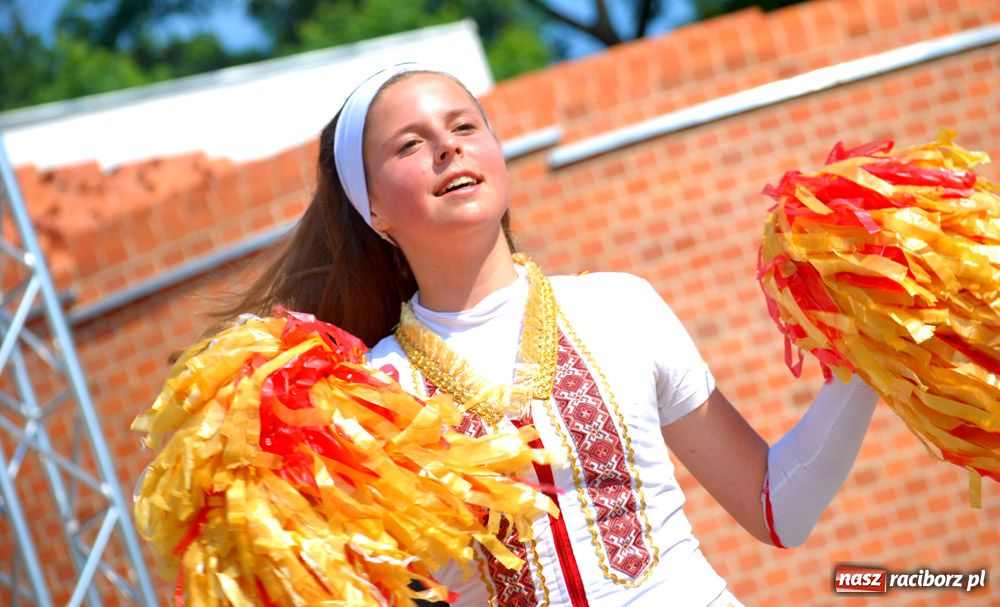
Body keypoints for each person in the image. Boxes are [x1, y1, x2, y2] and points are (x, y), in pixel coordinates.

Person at [225, 62, 879, 606]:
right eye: (409, 143)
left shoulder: (621, 305)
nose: (447, 146)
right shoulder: (365, 395)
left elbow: (776, 507)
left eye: (463, 126)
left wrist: (877, 342)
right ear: (372, 207)